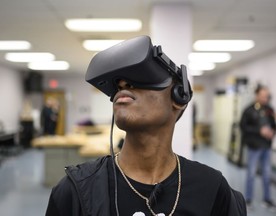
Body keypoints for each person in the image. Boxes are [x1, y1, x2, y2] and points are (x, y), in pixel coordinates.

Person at [45, 36, 246, 216]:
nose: (123, 85)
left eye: (138, 79)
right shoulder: (77, 190)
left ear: (179, 97)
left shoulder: (211, 188)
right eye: (118, 85)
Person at [240, 85, 276, 211]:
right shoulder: (248, 110)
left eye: (266, 96)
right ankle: (248, 200)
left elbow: (274, 124)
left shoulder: (270, 109)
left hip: (267, 146)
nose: (264, 98)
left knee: (267, 174)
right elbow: (243, 127)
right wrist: (259, 130)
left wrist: (272, 131)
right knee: (251, 174)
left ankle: (267, 200)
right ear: (256, 95)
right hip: (254, 147)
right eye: (262, 96)